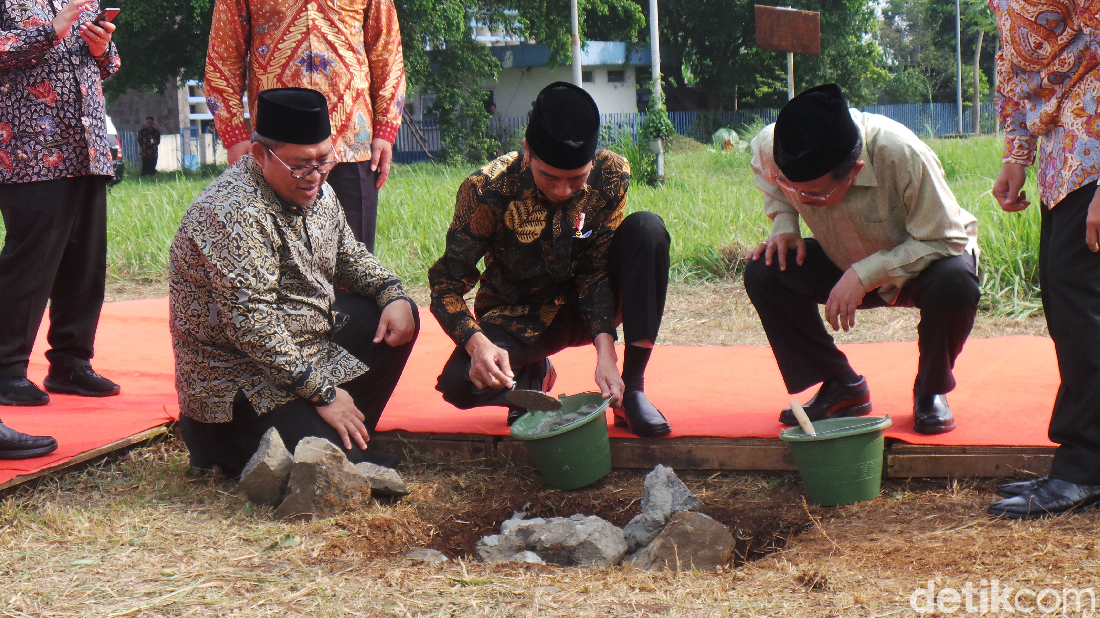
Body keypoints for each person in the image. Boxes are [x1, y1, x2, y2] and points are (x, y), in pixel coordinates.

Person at [169, 88, 419, 476]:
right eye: (302, 165)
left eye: (324, 160)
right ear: (259, 155)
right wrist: (324, 392)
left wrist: (393, 292)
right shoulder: (231, 212)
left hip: (300, 354)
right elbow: (254, 327)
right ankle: (315, 443)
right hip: (237, 387)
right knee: (323, 465)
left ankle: (345, 437)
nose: (315, 175)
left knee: (389, 314)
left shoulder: (316, 188)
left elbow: (348, 256)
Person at [429, 82, 672, 437]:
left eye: (576, 179)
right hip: (520, 316)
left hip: (592, 306)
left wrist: (607, 353)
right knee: (459, 384)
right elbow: (445, 283)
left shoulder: (612, 175)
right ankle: (532, 374)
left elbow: (596, 269)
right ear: (527, 150)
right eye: (549, 177)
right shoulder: (486, 188)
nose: (561, 191)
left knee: (647, 230)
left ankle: (631, 390)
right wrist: (477, 343)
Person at [744, 84, 980, 435]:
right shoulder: (773, 144)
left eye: (814, 193)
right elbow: (772, 180)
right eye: (794, 188)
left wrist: (866, 273)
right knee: (765, 270)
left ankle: (930, 389)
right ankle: (842, 386)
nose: (802, 199)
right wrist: (784, 223)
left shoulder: (900, 153)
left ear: (853, 171)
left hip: (923, 259)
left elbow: (946, 238)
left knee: (956, 282)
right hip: (842, 257)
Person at [987, 0, 1100, 519]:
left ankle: (1086, 467)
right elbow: (1011, 63)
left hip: (1093, 147)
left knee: (1082, 308)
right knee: (1064, 300)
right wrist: (1016, 155)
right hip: (1061, 149)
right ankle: (1080, 458)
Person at [203, 0, 405, 252]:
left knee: (353, 265)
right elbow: (224, 57)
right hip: (277, 147)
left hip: (351, 142)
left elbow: (386, 49)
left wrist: (387, 127)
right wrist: (233, 135)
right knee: (277, 263)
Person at [0, 0, 122, 407]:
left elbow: (107, 67)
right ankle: (6, 370)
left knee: (85, 262)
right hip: (28, 149)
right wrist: (50, 30)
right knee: (29, 262)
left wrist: (102, 48)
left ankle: (71, 364)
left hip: (86, 147)